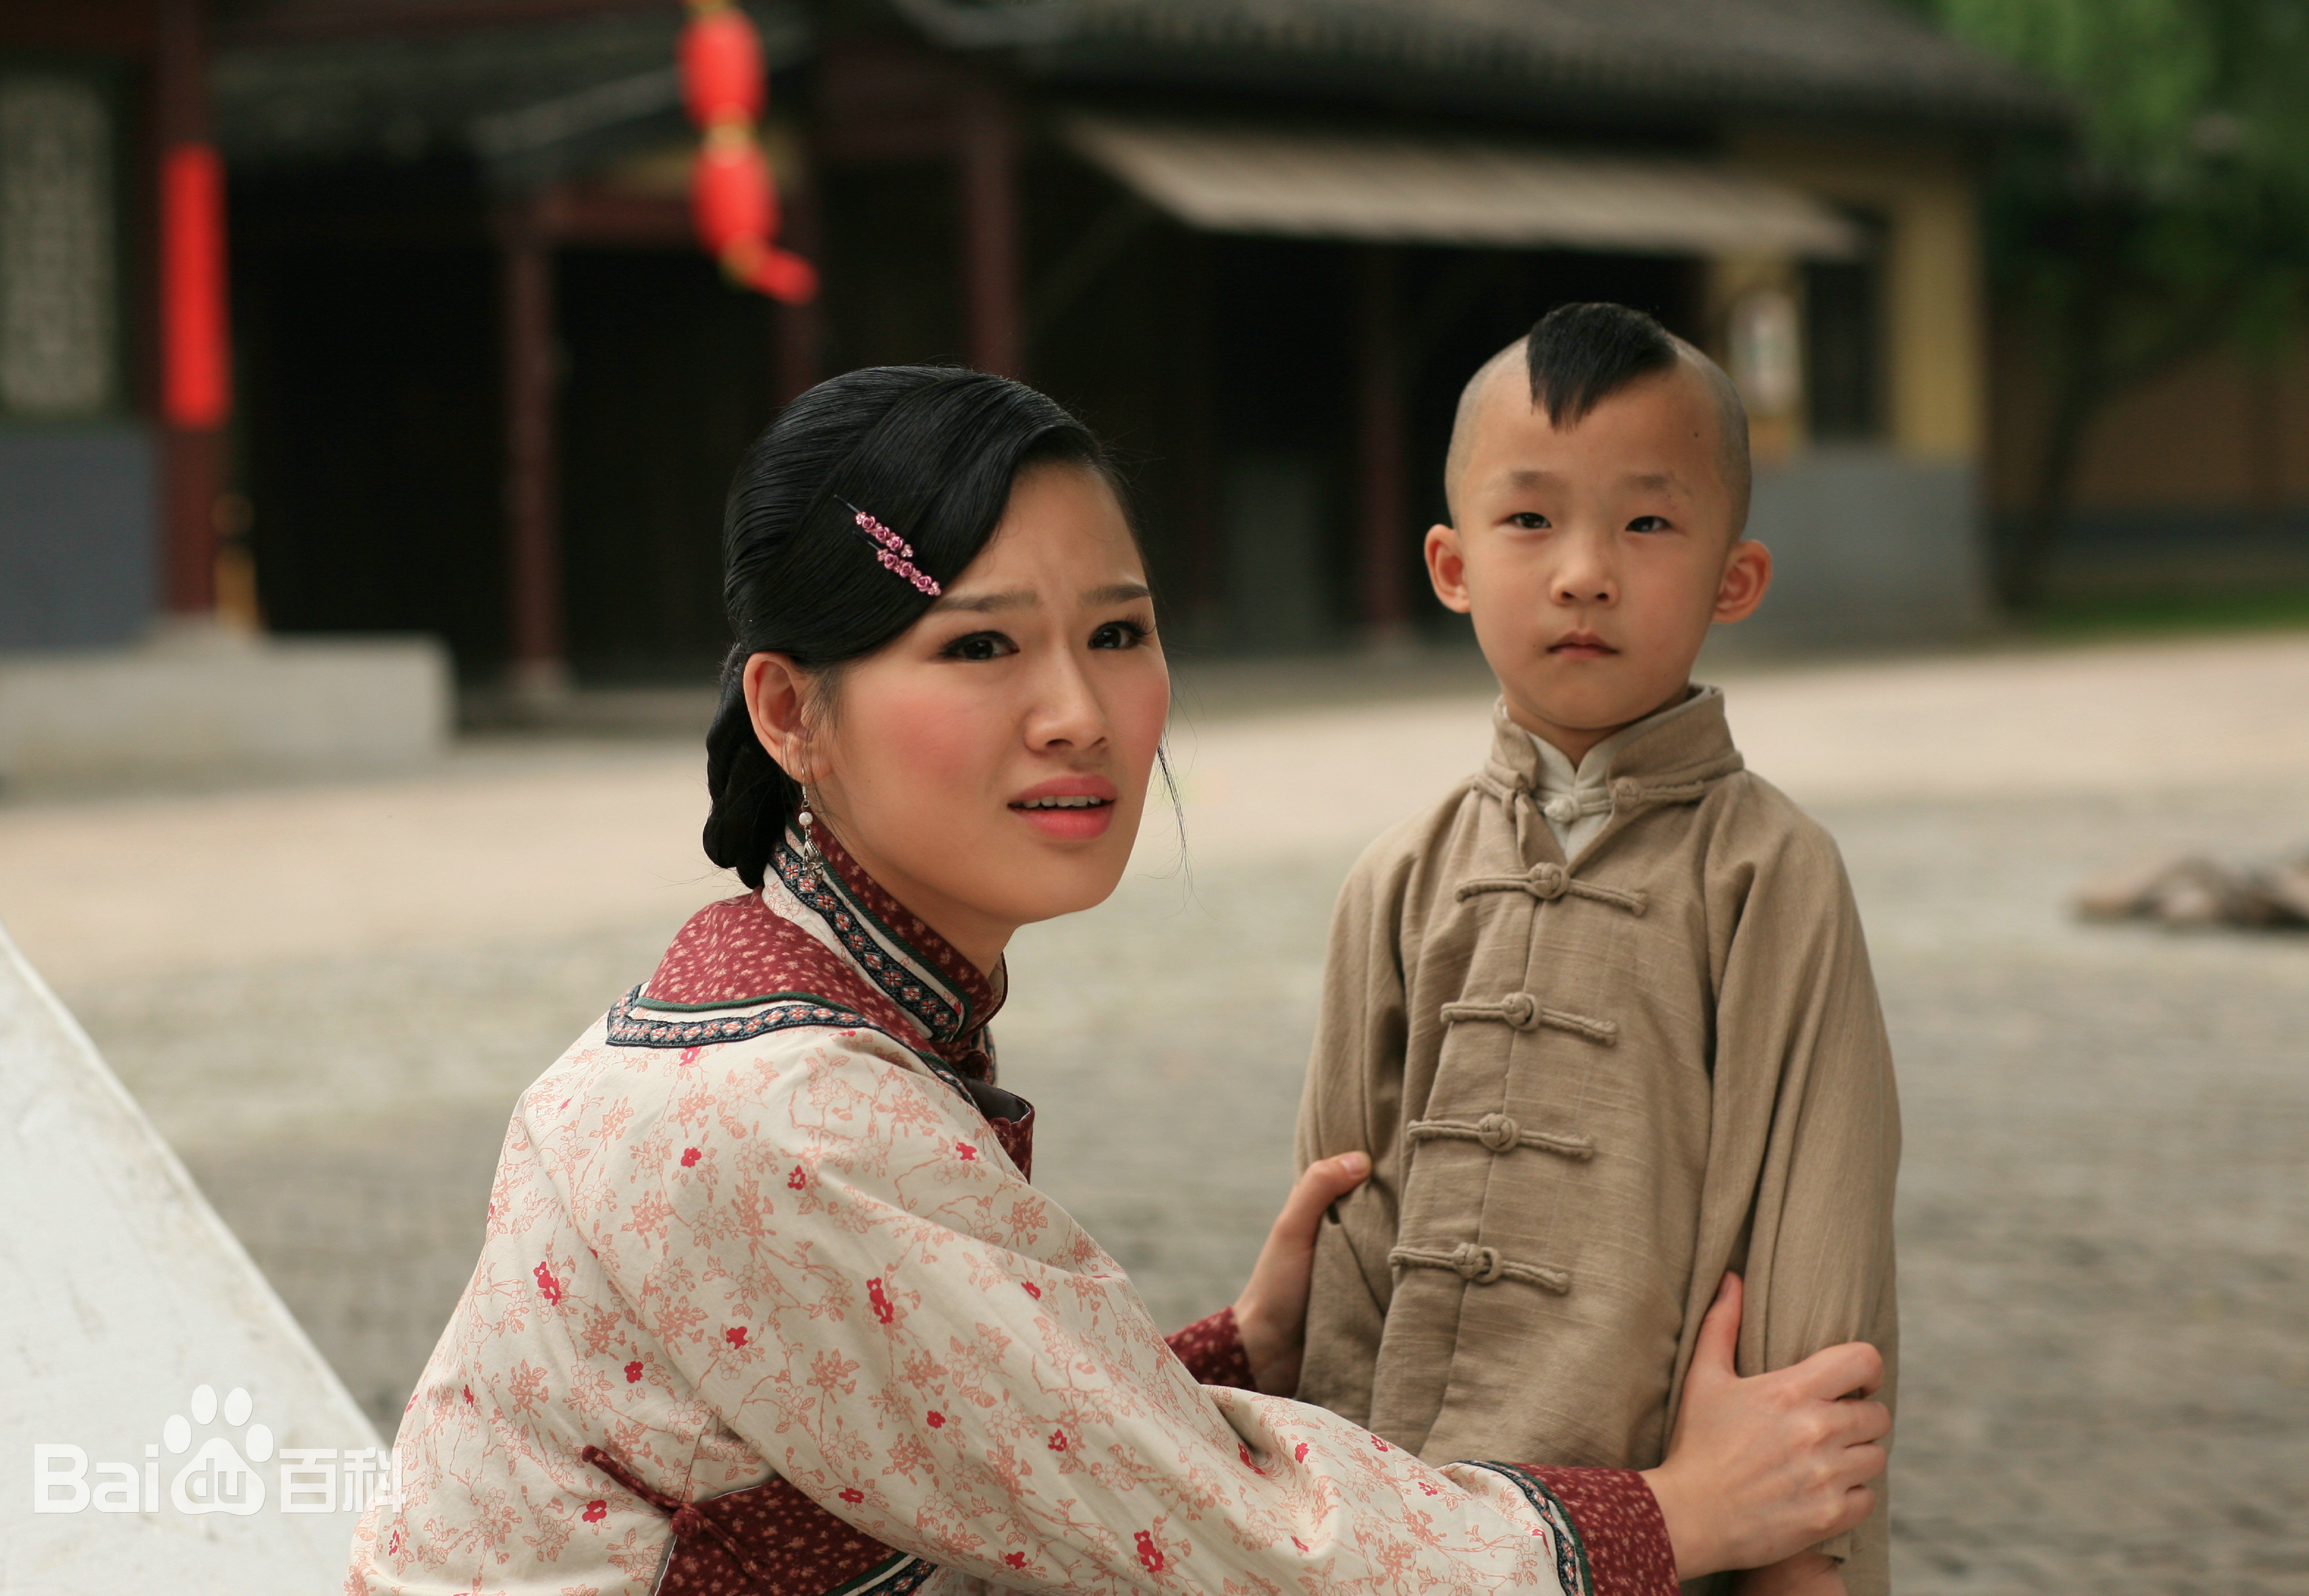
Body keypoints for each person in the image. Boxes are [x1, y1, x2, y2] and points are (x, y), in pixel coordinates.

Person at [347, 366, 1890, 1596]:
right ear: (789, 708)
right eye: (977, 650)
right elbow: (1228, 1545)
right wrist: (1679, 1515)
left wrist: (1234, 1355)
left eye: (1117, 632)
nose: (1079, 713)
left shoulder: (802, 1016)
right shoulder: (777, 1120)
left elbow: (954, 1438)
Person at [1292, 303, 1900, 1596]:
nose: (1585, 572)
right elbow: (1347, 1232)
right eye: (1531, 521)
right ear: (1452, 568)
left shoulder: (1770, 875)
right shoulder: (1397, 882)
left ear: (1736, 578)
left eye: (1647, 523)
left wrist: (1801, 1553)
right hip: (1413, 1529)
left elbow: (1819, 1227)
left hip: (1679, 1526)